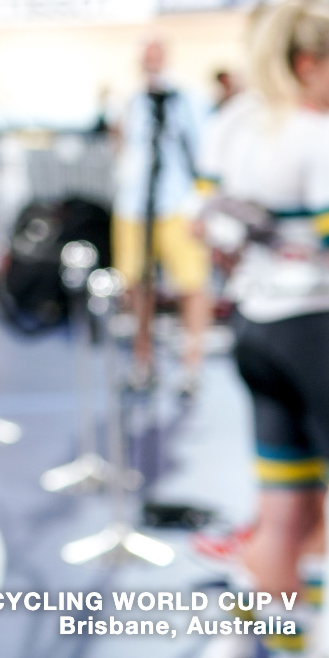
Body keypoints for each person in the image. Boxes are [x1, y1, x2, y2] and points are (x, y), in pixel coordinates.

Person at [200, 0, 329, 658]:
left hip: (255, 331)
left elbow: (208, 224)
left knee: (284, 516)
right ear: (308, 64)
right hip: (315, 334)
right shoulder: (321, 132)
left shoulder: (241, 124)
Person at [110, 37, 211, 394]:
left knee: (191, 284)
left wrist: (201, 203)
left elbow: (203, 154)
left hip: (177, 205)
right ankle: (143, 359)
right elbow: (124, 150)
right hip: (134, 206)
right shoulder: (131, 102)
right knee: (136, 285)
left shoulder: (187, 100)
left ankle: (191, 366)